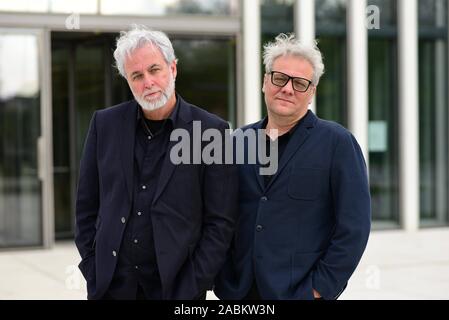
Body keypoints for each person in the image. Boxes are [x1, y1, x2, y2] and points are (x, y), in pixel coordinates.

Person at [75, 25, 238, 300]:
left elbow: (220, 223)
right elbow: (86, 207)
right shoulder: (104, 125)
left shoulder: (211, 132)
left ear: (172, 69)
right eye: (136, 75)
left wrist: (191, 287)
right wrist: (94, 269)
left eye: (154, 70)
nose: (147, 82)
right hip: (111, 289)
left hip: (177, 291)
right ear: (127, 79)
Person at [214, 33, 371, 300]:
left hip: (299, 292)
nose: (287, 88)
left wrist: (319, 289)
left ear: (311, 93)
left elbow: (353, 228)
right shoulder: (237, 141)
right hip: (239, 293)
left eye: (300, 83)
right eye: (279, 78)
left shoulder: (338, 144)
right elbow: (219, 215)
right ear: (265, 82)